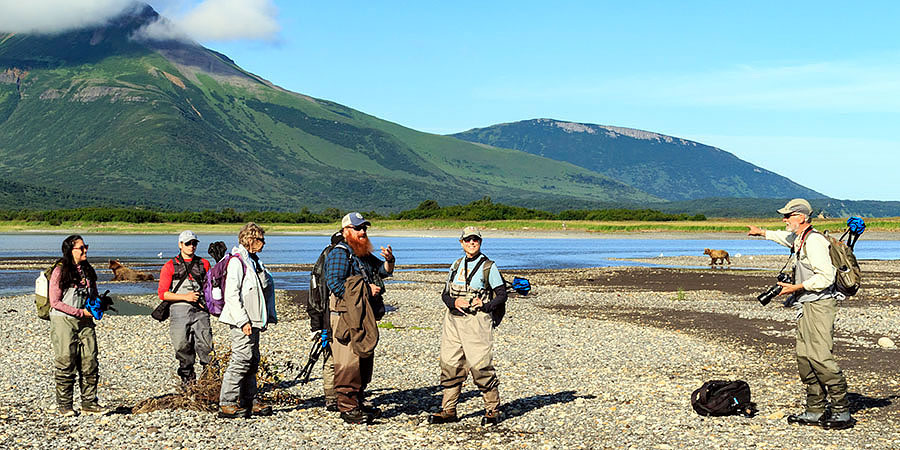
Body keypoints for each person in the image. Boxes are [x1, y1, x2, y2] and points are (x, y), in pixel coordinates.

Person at [747, 198, 853, 430]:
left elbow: (826, 277)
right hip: (805, 305)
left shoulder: (814, 241)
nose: (784, 220)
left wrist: (795, 287)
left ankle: (841, 411)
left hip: (820, 305)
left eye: (788, 216)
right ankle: (815, 410)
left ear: (802, 217)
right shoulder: (799, 238)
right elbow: (783, 237)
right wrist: (761, 232)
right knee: (805, 358)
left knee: (821, 358)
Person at [429, 226, 507, 426]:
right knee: (450, 364)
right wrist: (454, 302)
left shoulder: (489, 267)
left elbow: (502, 295)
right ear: (461, 243)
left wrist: (486, 305)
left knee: (480, 365)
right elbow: (445, 294)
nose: (472, 243)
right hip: (452, 322)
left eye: (476, 240)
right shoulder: (455, 265)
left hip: (477, 323)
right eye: (468, 240)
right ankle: (448, 410)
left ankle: (493, 410)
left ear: (480, 242)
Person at [324, 212, 394, 424]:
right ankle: (347, 407)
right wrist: (365, 289)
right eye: (358, 228)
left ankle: (357, 401)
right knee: (348, 360)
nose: (362, 232)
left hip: (363, 313)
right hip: (345, 314)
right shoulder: (339, 253)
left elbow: (381, 271)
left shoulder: (361, 252)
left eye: (364, 228)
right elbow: (334, 284)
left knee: (364, 356)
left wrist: (389, 260)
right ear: (346, 231)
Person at [218, 222, 277, 418]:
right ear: (250, 240)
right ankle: (226, 402)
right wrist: (243, 321)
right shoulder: (237, 262)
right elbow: (232, 296)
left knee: (252, 360)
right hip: (242, 321)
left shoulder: (254, 261)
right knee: (241, 359)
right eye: (261, 239)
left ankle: (249, 399)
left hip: (255, 320)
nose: (264, 243)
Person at [48, 235, 104, 416]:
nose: (85, 250)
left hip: (86, 321)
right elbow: (54, 302)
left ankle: (89, 402)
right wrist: (80, 312)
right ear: (71, 250)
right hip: (63, 321)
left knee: (90, 361)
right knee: (65, 361)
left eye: (85, 246)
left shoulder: (88, 271)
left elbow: (93, 294)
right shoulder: (60, 271)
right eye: (81, 247)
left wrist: (99, 305)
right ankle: (64, 405)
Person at [157, 230, 212, 386]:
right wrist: (185, 297)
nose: (191, 246)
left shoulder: (204, 264)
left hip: (201, 311)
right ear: (180, 245)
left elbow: (210, 288)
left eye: (194, 243)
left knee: (206, 346)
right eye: (188, 243)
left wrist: (207, 302)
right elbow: (163, 294)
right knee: (181, 345)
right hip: (179, 310)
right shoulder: (169, 266)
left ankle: (209, 382)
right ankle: (188, 381)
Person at [306, 230, 343, 412]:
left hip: (330, 316)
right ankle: (331, 397)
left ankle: (335, 396)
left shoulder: (325, 259)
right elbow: (315, 296)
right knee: (330, 358)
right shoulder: (331, 260)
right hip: (329, 317)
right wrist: (317, 325)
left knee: (331, 359)